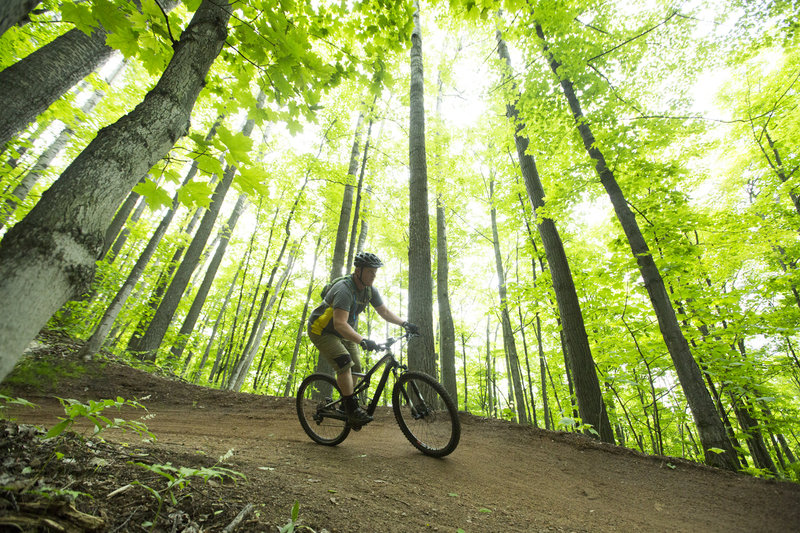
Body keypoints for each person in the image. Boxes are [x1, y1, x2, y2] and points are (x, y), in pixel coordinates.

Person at [307, 251, 418, 427]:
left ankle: (345, 404)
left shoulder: (369, 290)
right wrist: (363, 340)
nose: (373, 276)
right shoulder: (344, 289)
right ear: (358, 270)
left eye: (375, 273)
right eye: (370, 272)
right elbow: (339, 324)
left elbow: (384, 312)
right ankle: (352, 409)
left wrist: (405, 324)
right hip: (321, 330)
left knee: (356, 367)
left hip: (344, 330)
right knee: (345, 362)